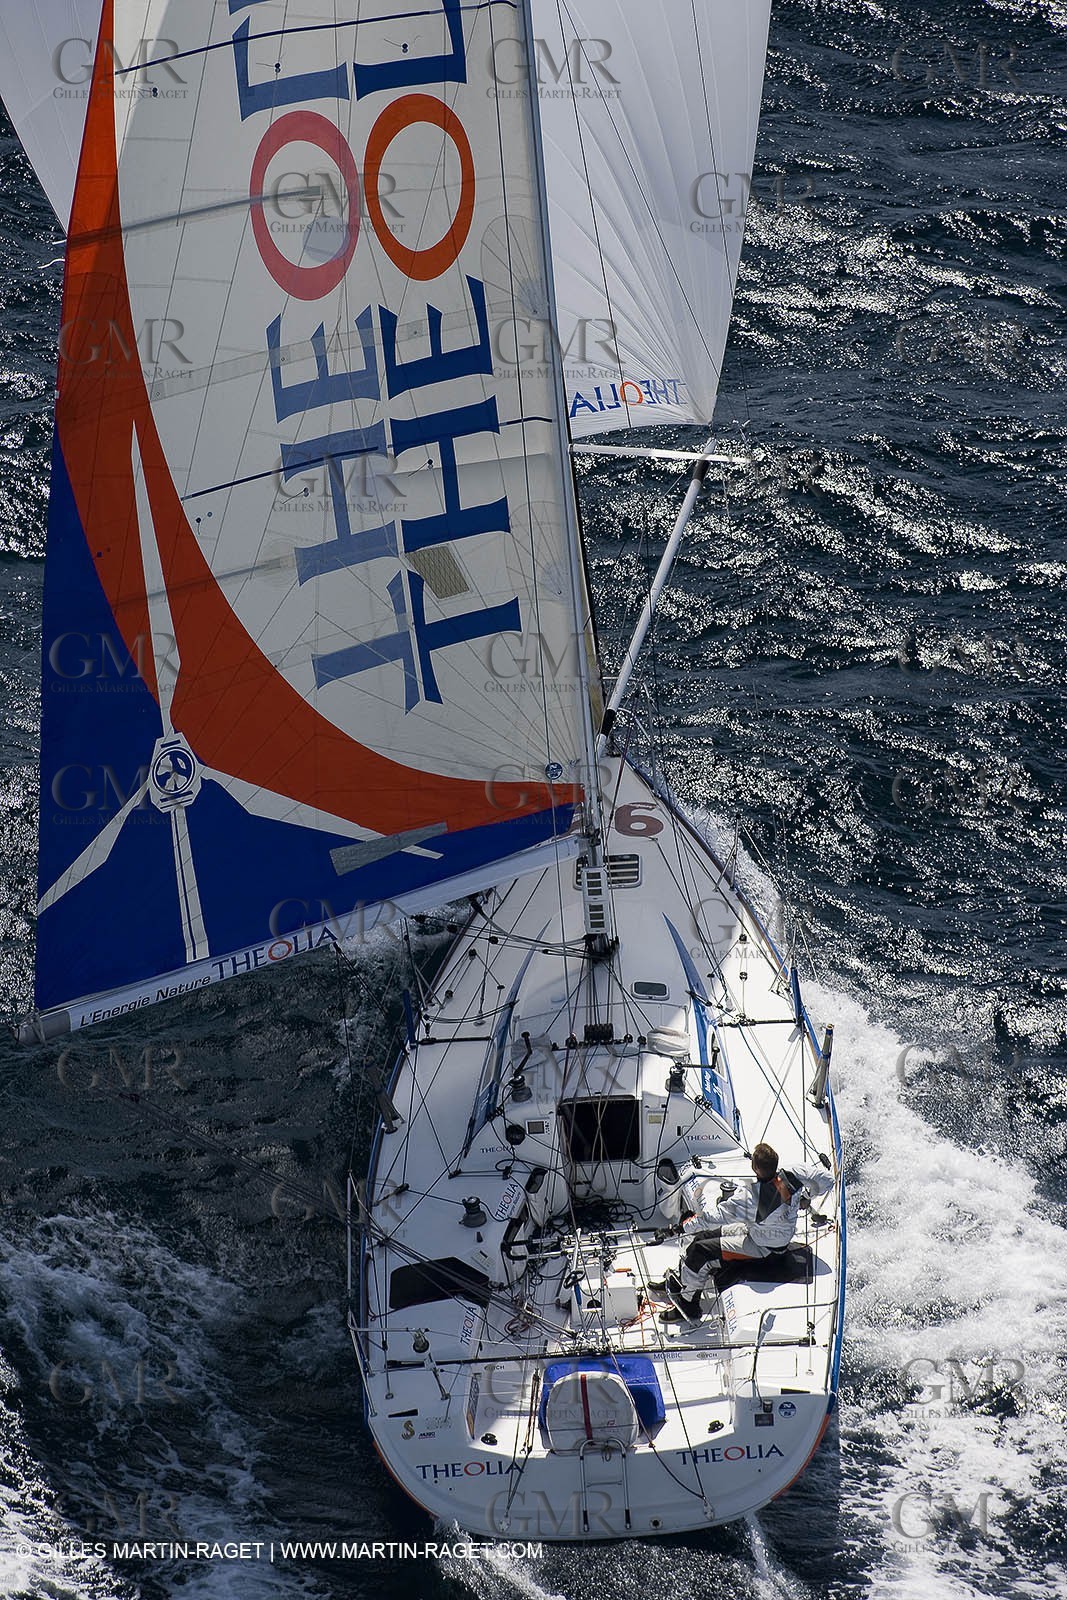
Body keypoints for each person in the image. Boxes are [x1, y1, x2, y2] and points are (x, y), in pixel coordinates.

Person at [658, 1142, 832, 1324]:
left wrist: (676, 1230)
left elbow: (708, 1218)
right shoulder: (795, 1172)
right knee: (702, 1237)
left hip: (764, 1248)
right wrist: (806, 1197)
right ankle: (684, 1281)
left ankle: (688, 1305)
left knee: (701, 1251)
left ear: (755, 1168)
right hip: (761, 1234)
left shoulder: (750, 1199)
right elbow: (828, 1180)